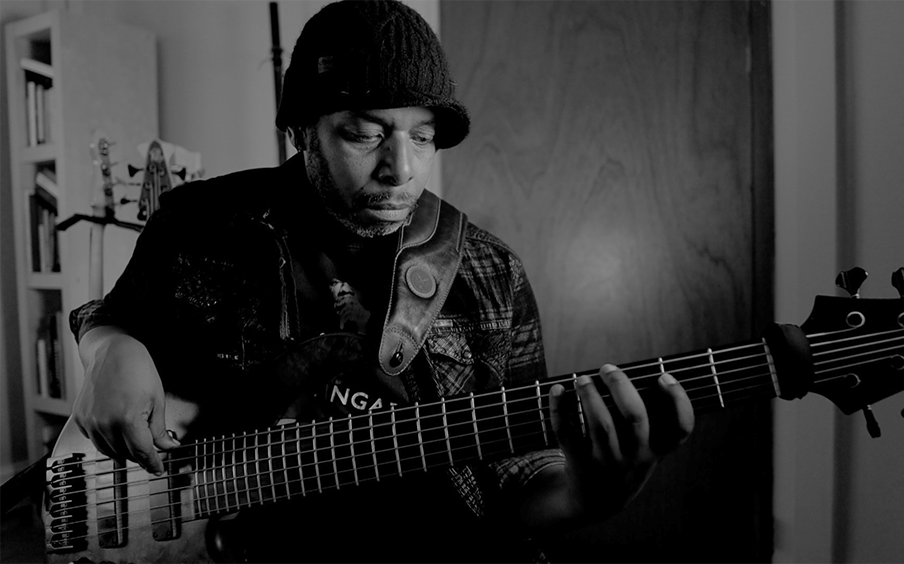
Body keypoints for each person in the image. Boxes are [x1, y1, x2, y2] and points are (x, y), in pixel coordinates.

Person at [68, 0, 694, 562]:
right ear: (300, 131)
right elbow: (117, 318)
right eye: (365, 134)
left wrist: (583, 495)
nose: (401, 168)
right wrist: (105, 345)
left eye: (422, 138)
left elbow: (513, 474)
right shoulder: (200, 221)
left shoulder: (489, 272)